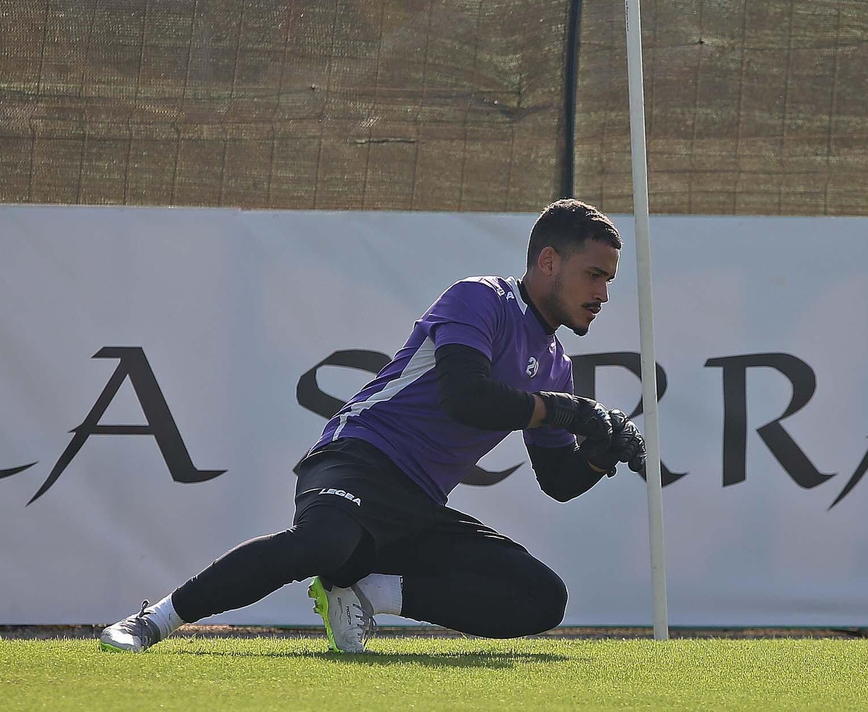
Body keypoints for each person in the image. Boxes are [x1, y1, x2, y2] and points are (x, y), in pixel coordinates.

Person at [100, 199, 646, 653]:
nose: (602, 295)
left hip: (417, 505)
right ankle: (153, 622)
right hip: (357, 460)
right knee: (323, 543)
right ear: (548, 261)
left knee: (542, 597)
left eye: (609, 281)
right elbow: (466, 397)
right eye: (593, 275)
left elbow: (557, 480)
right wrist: (567, 411)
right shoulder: (481, 297)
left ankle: (369, 592)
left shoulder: (557, 365)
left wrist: (602, 452)